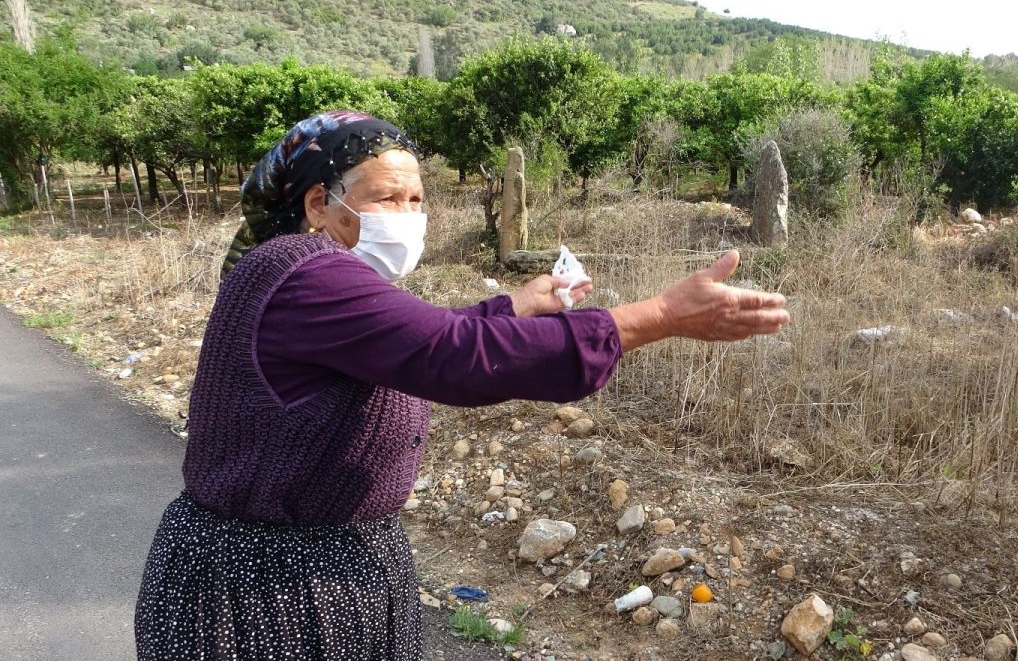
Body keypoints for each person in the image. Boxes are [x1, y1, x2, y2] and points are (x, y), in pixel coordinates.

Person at [134, 110, 789, 660]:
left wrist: (516, 306)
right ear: (318, 205)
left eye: (417, 199)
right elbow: (452, 355)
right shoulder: (301, 272)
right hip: (262, 594)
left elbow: (417, 338)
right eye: (387, 197)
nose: (408, 213)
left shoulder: (307, 275)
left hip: (324, 574)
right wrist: (661, 316)